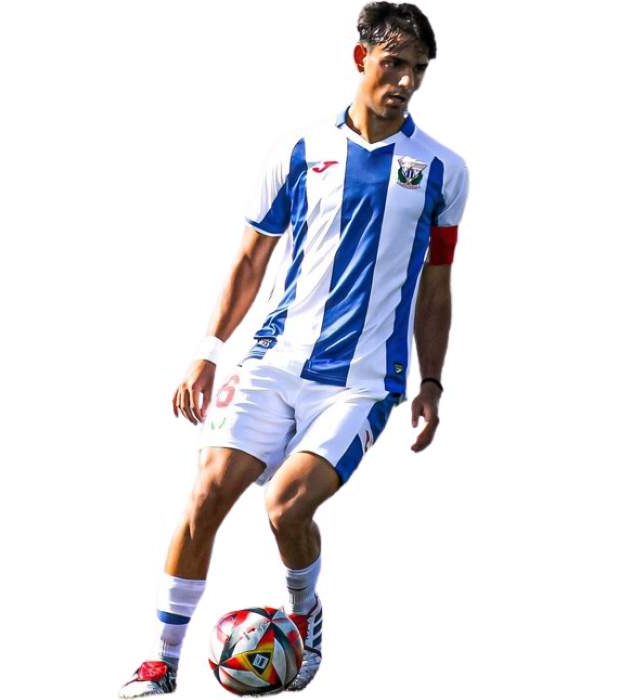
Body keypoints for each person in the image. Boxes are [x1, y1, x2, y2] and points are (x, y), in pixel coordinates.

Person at [118, 2, 470, 697]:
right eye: (394, 63)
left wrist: (431, 382)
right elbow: (252, 257)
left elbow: (438, 285)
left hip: (363, 381)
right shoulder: (297, 149)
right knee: (208, 495)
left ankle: (303, 615)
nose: (406, 81)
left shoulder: (444, 168)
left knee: (284, 505)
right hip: (272, 363)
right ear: (360, 59)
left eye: (420, 69)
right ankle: (160, 659)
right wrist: (207, 350)